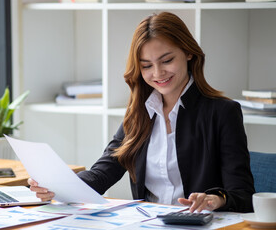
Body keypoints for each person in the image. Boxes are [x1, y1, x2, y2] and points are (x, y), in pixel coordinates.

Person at [28, 12, 255, 213]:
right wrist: (59, 187)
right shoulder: (140, 112)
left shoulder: (222, 112)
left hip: (198, 223)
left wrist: (215, 199)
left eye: (167, 60)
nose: (158, 73)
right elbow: (103, 172)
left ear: (188, 53)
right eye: (146, 65)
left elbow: (243, 195)